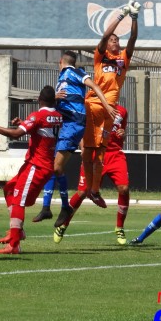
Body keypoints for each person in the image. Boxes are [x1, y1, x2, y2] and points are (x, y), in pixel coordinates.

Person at [52, 50, 115, 239]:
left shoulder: (75, 73)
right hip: (66, 125)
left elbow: (94, 85)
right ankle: (54, 208)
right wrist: (55, 98)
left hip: (73, 125)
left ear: (60, 62)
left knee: (56, 169)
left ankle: (64, 208)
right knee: (53, 168)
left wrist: (106, 105)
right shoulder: (62, 78)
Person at [82, 1, 139, 209]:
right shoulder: (99, 58)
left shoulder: (123, 60)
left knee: (100, 156)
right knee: (88, 152)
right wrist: (121, 16)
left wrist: (134, 18)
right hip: (93, 106)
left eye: (117, 40)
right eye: (113, 40)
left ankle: (94, 191)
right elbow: (105, 36)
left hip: (109, 112)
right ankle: (86, 186)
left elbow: (133, 38)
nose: (115, 42)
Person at [0, 86, 63, 254]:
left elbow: (16, 134)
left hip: (36, 165)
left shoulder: (38, 115)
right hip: (41, 164)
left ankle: (14, 244)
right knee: (9, 188)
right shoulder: (59, 117)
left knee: (18, 200)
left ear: (39, 100)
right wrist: (23, 124)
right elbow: (40, 131)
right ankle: (16, 230)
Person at [53, 104, 130, 245]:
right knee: (82, 192)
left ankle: (119, 227)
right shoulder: (91, 106)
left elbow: (121, 132)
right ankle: (63, 224)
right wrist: (84, 148)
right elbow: (80, 128)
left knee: (124, 189)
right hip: (94, 153)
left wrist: (123, 133)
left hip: (114, 154)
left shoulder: (122, 111)